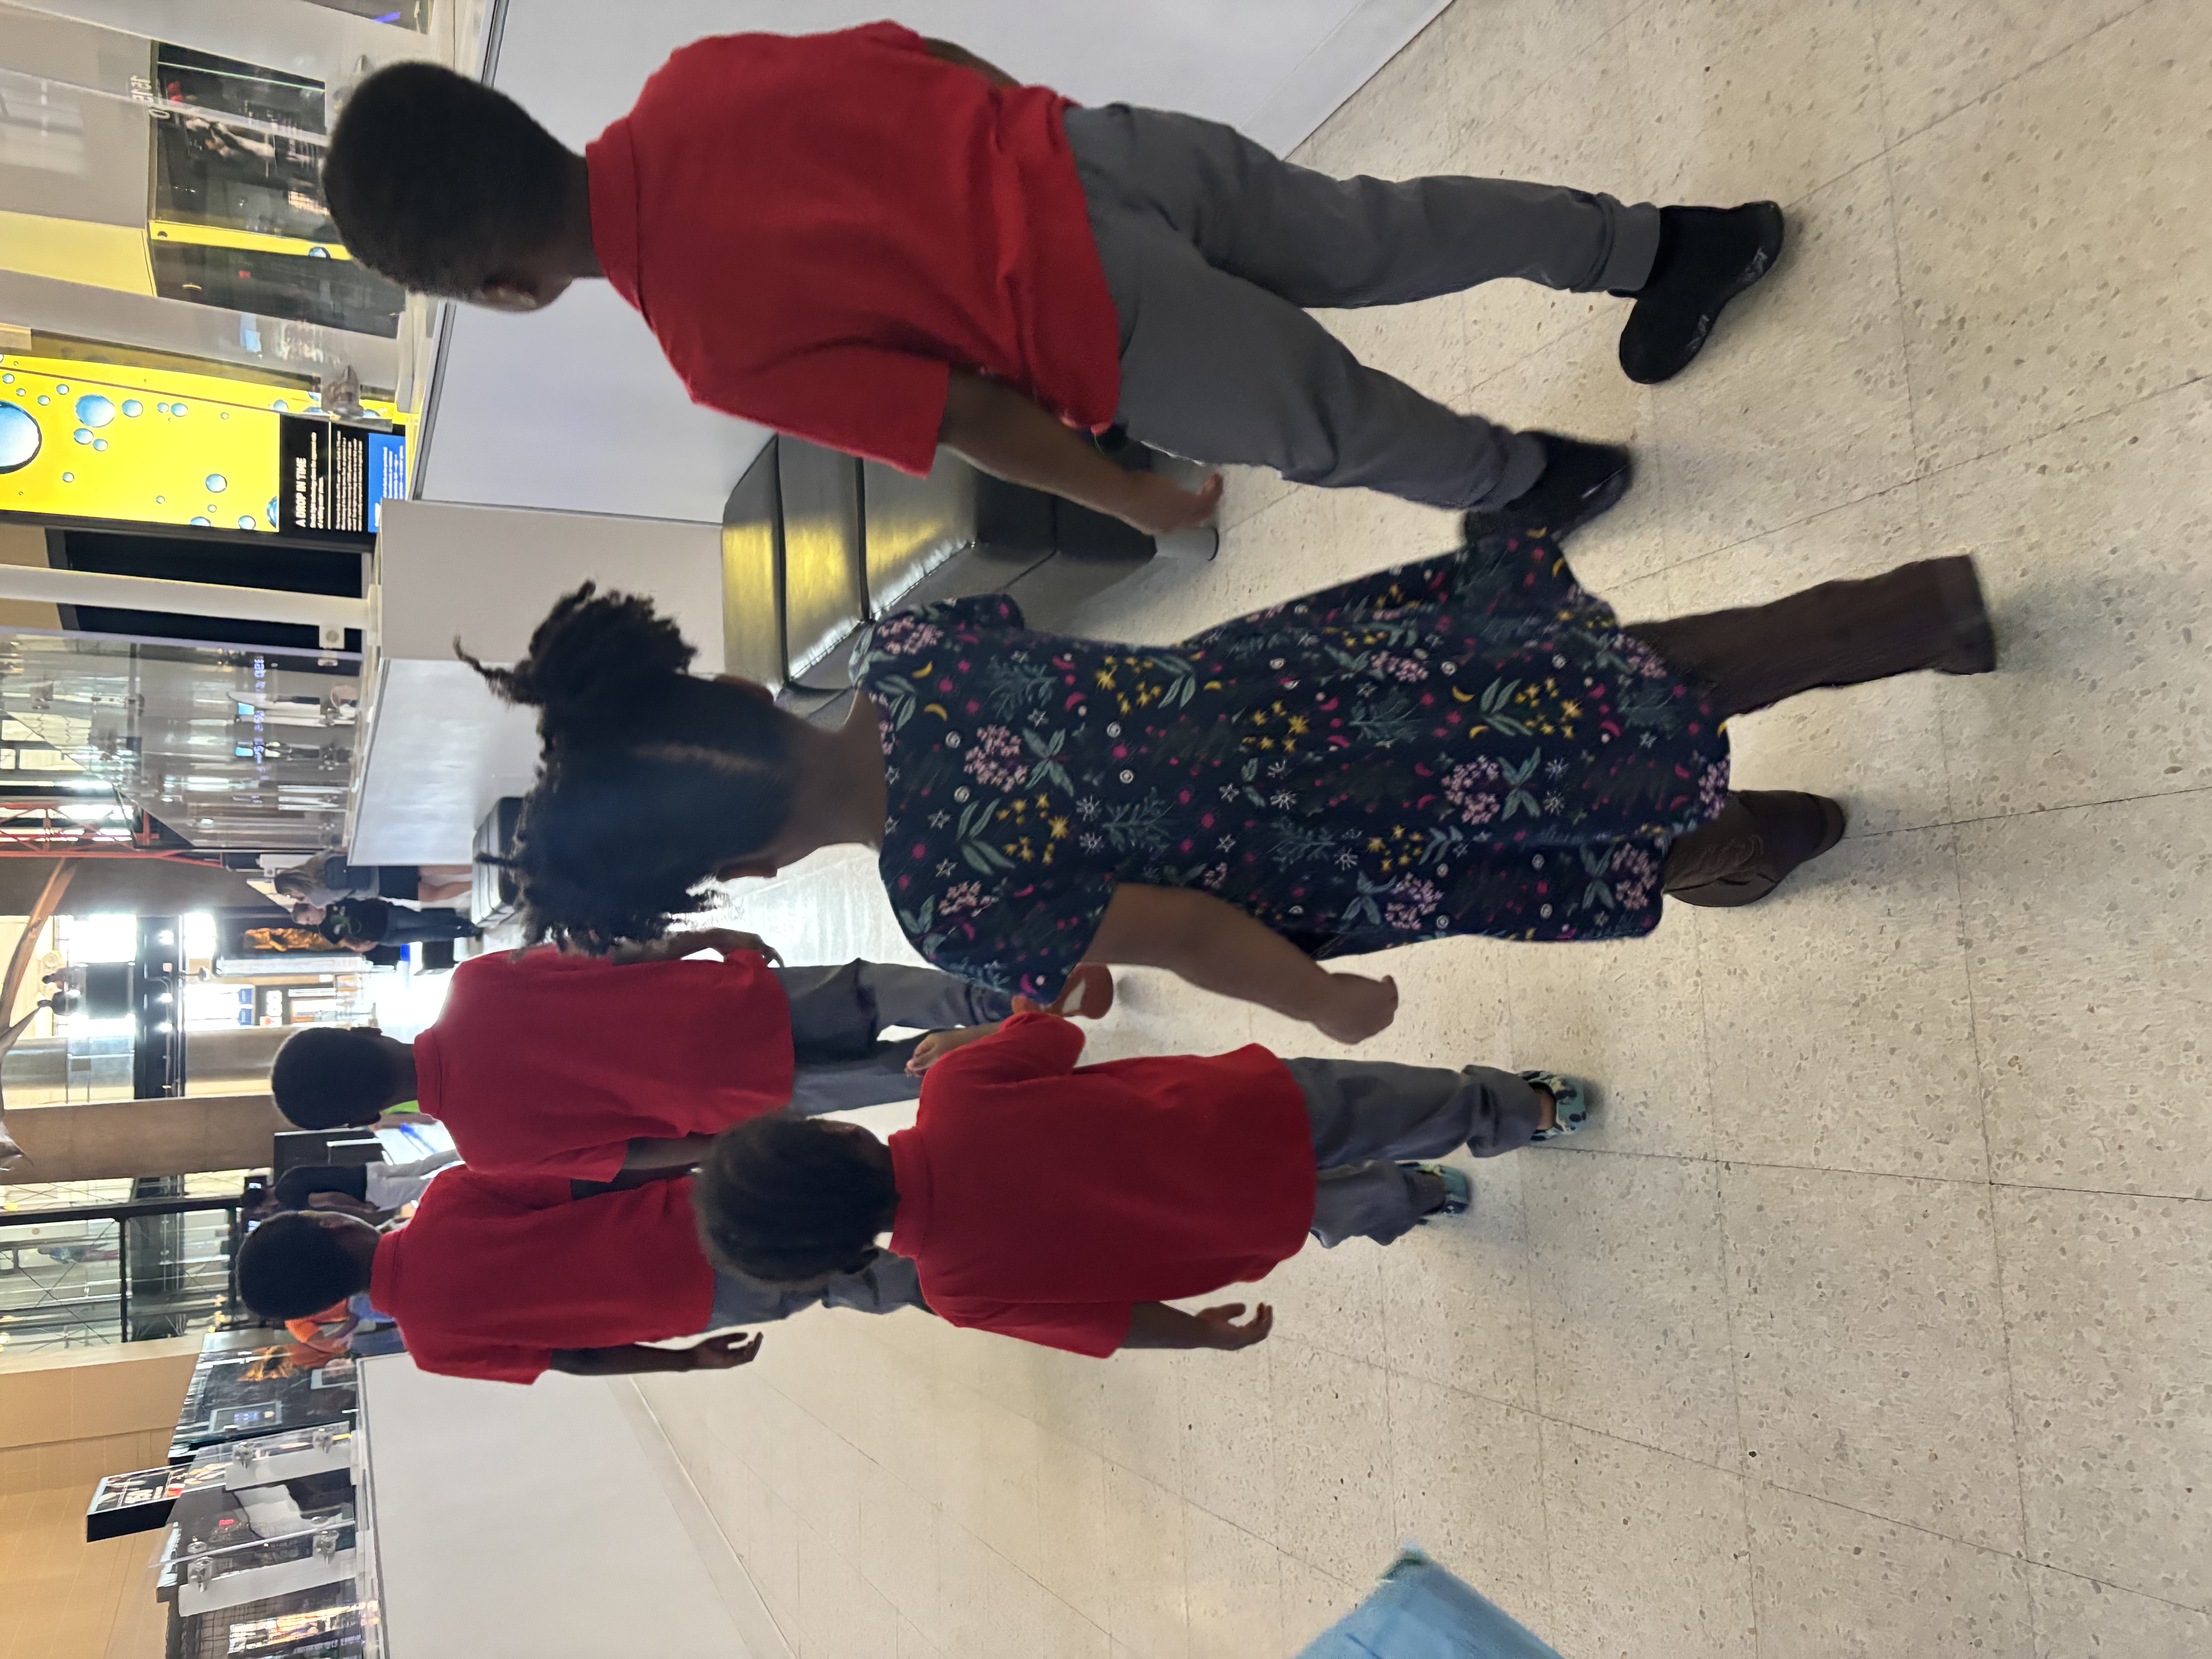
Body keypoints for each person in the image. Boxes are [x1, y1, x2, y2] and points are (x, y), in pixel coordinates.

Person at [476, 517, 1994, 1042]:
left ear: (740, 871)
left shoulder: (954, 908)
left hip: (1362, 846)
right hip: (1332, 684)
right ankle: (1756, 821)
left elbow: (1188, 935)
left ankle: (1919, 618)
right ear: (734, 698)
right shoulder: (919, 649)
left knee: (1594, 784)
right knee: (1641, 687)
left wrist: (1321, 1007)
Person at [319, 29, 1786, 540]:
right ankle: (1664, 246)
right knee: (1372, 228)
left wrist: (1137, 495)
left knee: (1333, 422)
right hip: (1108, 153)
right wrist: (1038, 143)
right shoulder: (693, 80)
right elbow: (926, 60)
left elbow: (962, 411)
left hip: (1105, 322)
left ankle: (1536, 481)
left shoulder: (708, 345)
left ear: (505, 289)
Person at [694, 1005, 1590, 1357]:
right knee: (1388, 1105)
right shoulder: (957, 1091)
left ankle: (1423, 1197)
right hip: (1246, 1111)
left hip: (1234, 1225)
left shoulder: (957, 1292)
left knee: (1316, 1205)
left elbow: (1109, 1323)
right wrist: (976, 1039)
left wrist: (1202, 1336)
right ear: (840, 1132)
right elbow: (1057, 1030)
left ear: (841, 1256)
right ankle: (1523, 1113)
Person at [267, 928, 1111, 1181]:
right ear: (363, 1033)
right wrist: (706, 937)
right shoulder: (478, 984)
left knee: (902, 1074)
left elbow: (642, 1153)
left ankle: (1027, 1054)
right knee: (874, 993)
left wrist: (724, 1146)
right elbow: (616, 955)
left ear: (372, 1116)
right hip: (729, 1007)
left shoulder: (492, 1153)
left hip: (738, 1100)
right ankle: (1017, 999)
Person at [233, 1166, 922, 1383]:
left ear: (323, 1303)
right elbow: (598, 1179)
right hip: (692, 1212)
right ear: (331, 1223)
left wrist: (684, 1362)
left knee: (843, 1280)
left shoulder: (434, 1348)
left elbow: (579, 1357)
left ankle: (963, 1281)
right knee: (855, 1195)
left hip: (694, 1302)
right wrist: (706, 1153)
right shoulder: (448, 1198)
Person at [273, 1147, 462, 1220]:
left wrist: (361, 1207)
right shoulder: (291, 1174)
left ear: (259, 1208)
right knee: (421, 1166)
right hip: (365, 1171)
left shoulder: (290, 1198)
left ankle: (467, 1181)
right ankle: (461, 1152)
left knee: (424, 1188)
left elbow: (329, 1197)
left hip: (369, 1193)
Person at [274, 855, 475, 908]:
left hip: (379, 887)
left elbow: (340, 897)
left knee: (433, 895)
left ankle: (475, 884)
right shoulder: (314, 862)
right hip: (378, 866)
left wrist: (304, 899)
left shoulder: (316, 898)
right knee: (430, 870)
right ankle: (478, 866)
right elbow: (343, 852)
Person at [294, 897, 481, 952]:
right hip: (384, 937)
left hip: (387, 916)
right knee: (428, 936)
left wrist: (382, 904)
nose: (311, 923)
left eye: (308, 918)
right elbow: (348, 942)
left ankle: (462, 922)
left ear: (311, 907)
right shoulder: (326, 931)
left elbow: (362, 899)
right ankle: (465, 932)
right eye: (307, 924)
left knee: (427, 921)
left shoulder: (333, 901)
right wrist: (364, 945)